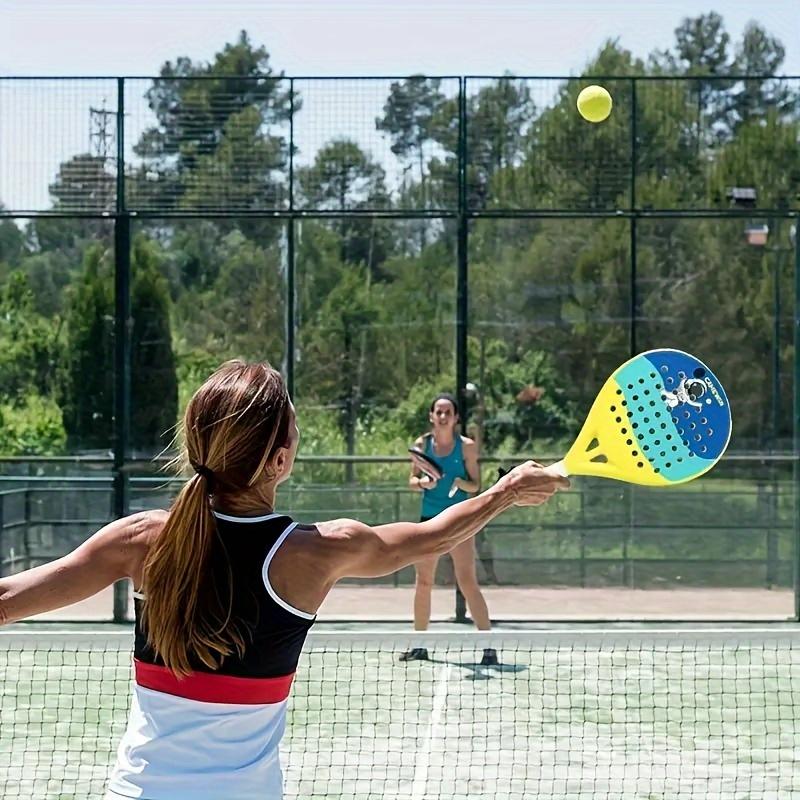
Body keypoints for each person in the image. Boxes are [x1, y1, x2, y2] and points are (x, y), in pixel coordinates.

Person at [0, 360, 567, 800]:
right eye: (294, 427)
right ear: (277, 460)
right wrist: (506, 491)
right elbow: (433, 538)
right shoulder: (313, 553)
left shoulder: (144, 540)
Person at [403, 392, 496, 665]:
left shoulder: (466, 447)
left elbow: (475, 485)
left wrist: (458, 481)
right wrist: (423, 483)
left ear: (456, 418)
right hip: (429, 522)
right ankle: (420, 645)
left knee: (467, 582)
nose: (442, 417)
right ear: (432, 416)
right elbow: (412, 479)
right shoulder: (422, 444)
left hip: (459, 522)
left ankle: (488, 647)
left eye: (448, 412)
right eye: (438, 412)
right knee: (423, 582)